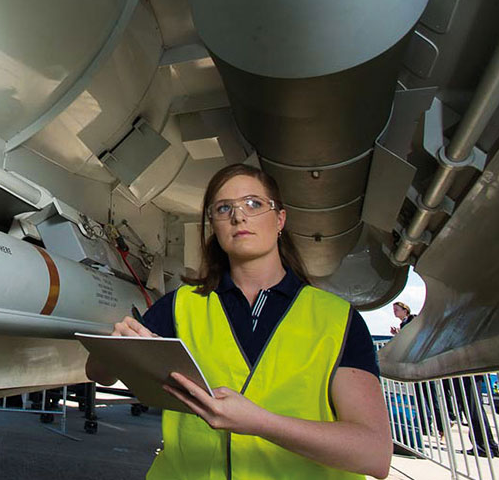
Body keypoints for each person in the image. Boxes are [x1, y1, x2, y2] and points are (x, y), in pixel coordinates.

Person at [87, 164, 391, 479]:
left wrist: (259, 422)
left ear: (280, 219)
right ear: (214, 226)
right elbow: (99, 374)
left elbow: (374, 453)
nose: (239, 216)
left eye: (254, 204)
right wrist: (117, 350)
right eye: (223, 208)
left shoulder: (337, 319)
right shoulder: (181, 306)